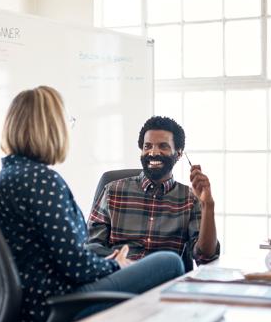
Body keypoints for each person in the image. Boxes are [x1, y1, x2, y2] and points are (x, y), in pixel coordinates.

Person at [0, 86, 184, 322]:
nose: (68, 129)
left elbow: (66, 256)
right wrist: (116, 265)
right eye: (66, 121)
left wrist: (108, 262)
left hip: (33, 306)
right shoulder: (41, 181)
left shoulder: (12, 175)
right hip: (55, 309)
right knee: (169, 263)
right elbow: (77, 266)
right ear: (51, 127)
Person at [87, 115, 220, 270]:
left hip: (163, 280)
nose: (152, 152)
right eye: (147, 146)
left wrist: (208, 206)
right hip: (119, 275)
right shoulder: (112, 191)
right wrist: (120, 262)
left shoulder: (190, 198)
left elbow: (205, 257)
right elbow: (91, 247)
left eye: (163, 146)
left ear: (178, 154)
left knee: (170, 261)